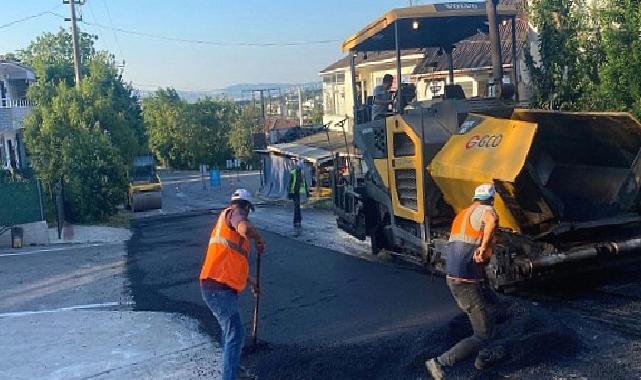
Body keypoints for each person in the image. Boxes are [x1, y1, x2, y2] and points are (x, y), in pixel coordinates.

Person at [426, 184, 499, 379]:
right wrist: (484, 249)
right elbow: (491, 221)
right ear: (491, 200)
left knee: (489, 309)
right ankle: (441, 362)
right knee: (481, 333)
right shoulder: (488, 210)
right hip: (465, 280)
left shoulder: (462, 214)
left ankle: (484, 357)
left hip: (455, 278)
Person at [200, 188, 265, 380]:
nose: (247, 214)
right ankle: (230, 376)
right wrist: (259, 237)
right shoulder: (234, 214)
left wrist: (251, 281)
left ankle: (232, 367)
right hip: (216, 288)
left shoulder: (227, 225)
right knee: (236, 332)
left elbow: (230, 260)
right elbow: (244, 228)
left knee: (229, 332)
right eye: (248, 210)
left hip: (219, 286)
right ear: (245, 206)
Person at [288, 160, 309, 227]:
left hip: (298, 192)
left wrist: (307, 192)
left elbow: (304, 183)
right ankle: (297, 220)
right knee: (297, 206)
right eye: (298, 166)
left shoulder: (302, 173)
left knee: (297, 206)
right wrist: (289, 193)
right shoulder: (292, 172)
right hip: (293, 192)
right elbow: (289, 183)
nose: (298, 168)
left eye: (299, 167)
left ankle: (298, 219)